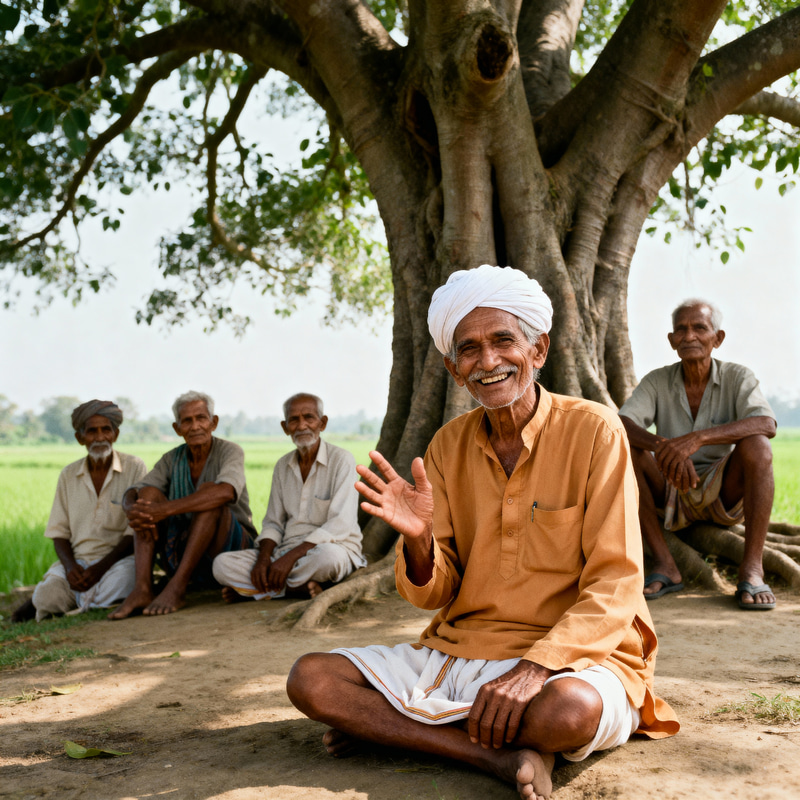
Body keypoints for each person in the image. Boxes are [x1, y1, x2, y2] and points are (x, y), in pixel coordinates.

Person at [287, 265, 678, 800]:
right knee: (311, 679)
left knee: (568, 713)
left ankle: (398, 727)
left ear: (537, 351)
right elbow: (436, 592)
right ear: (453, 368)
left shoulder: (595, 430)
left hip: (573, 659)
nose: (488, 361)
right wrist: (419, 539)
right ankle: (490, 757)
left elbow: (617, 581)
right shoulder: (447, 446)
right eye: (469, 349)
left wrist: (533, 670)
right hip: (462, 650)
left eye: (503, 341)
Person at [619, 299, 777, 609]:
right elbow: (621, 422)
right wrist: (664, 447)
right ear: (672, 340)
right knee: (626, 450)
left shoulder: (737, 376)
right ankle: (665, 564)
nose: (689, 336)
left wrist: (697, 439)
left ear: (717, 339)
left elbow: (766, 422)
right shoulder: (658, 380)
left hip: (723, 494)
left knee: (758, 444)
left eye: (699, 328)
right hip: (670, 489)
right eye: (681, 329)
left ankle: (752, 569)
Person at [109, 391, 256, 619]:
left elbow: (226, 491)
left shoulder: (229, 451)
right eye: (187, 421)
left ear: (213, 423)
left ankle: (177, 587)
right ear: (178, 429)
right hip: (185, 545)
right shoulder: (172, 458)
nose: (195, 426)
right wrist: (131, 507)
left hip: (229, 547)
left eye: (201, 418)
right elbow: (137, 490)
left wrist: (165, 510)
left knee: (211, 495)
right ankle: (143, 588)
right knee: (148, 494)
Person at [213, 393, 366, 600]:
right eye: (294, 420)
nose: (302, 425)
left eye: (309, 417)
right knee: (221, 564)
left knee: (328, 559)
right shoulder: (282, 466)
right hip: (285, 552)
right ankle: (297, 588)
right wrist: (264, 560)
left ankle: (258, 590)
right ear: (285, 427)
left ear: (322, 423)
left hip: (330, 548)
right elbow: (273, 523)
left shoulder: (342, 460)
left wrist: (289, 559)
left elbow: (341, 523)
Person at [11, 400, 147, 623]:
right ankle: (89, 600)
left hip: (117, 563)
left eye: (106, 430)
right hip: (79, 562)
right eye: (92, 431)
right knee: (45, 597)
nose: (100, 437)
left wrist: (100, 568)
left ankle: (83, 600)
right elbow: (59, 532)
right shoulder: (68, 475)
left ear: (116, 434)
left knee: (125, 581)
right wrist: (71, 567)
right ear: (80, 438)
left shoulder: (134, 467)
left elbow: (135, 531)